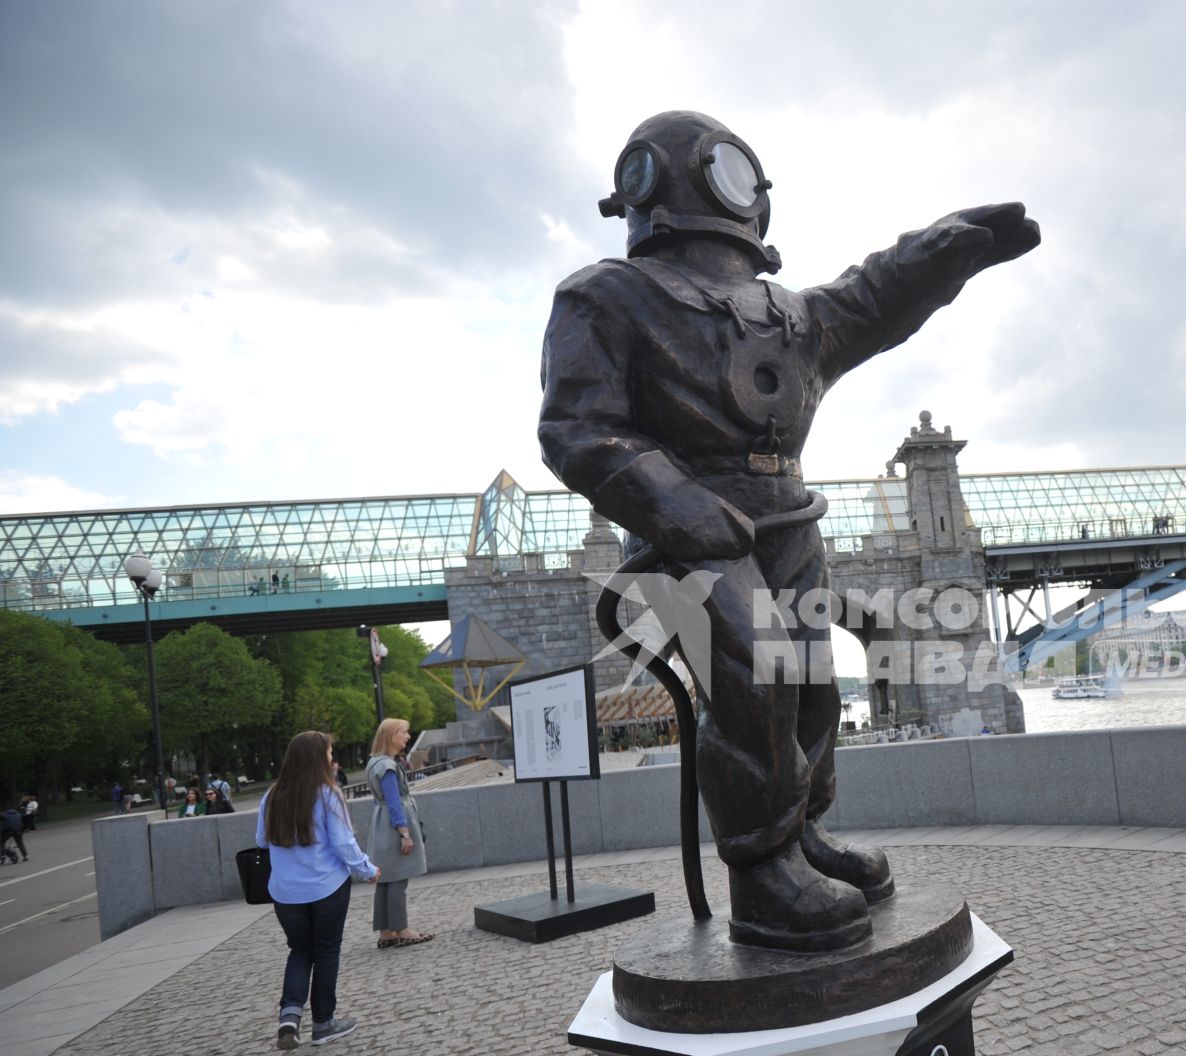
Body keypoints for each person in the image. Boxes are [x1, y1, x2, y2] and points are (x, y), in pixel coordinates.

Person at [538, 109, 1037, 951]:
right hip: (690, 535)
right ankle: (763, 873)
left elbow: (870, 296)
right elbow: (576, 428)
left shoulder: (787, 313)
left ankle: (801, 832)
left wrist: (942, 254)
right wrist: (672, 504)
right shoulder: (604, 298)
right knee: (754, 679)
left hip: (786, 520)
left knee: (810, 683)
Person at [258, 731, 379, 1050]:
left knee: (300, 950)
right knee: (326, 951)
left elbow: (261, 839)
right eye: (328, 751)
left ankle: (289, 1016)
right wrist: (367, 868)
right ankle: (324, 1023)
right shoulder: (327, 794)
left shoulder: (271, 795)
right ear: (317, 757)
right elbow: (342, 842)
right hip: (326, 887)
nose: (331, 756)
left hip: (285, 893)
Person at [364, 718, 433, 949]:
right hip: (394, 826)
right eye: (404, 732)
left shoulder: (375, 762)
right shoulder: (387, 767)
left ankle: (386, 933)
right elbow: (394, 803)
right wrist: (405, 834)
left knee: (385, 879)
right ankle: (402, 929)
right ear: (392, 736)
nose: (408, 737)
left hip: (381, 825)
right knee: (397, 880)